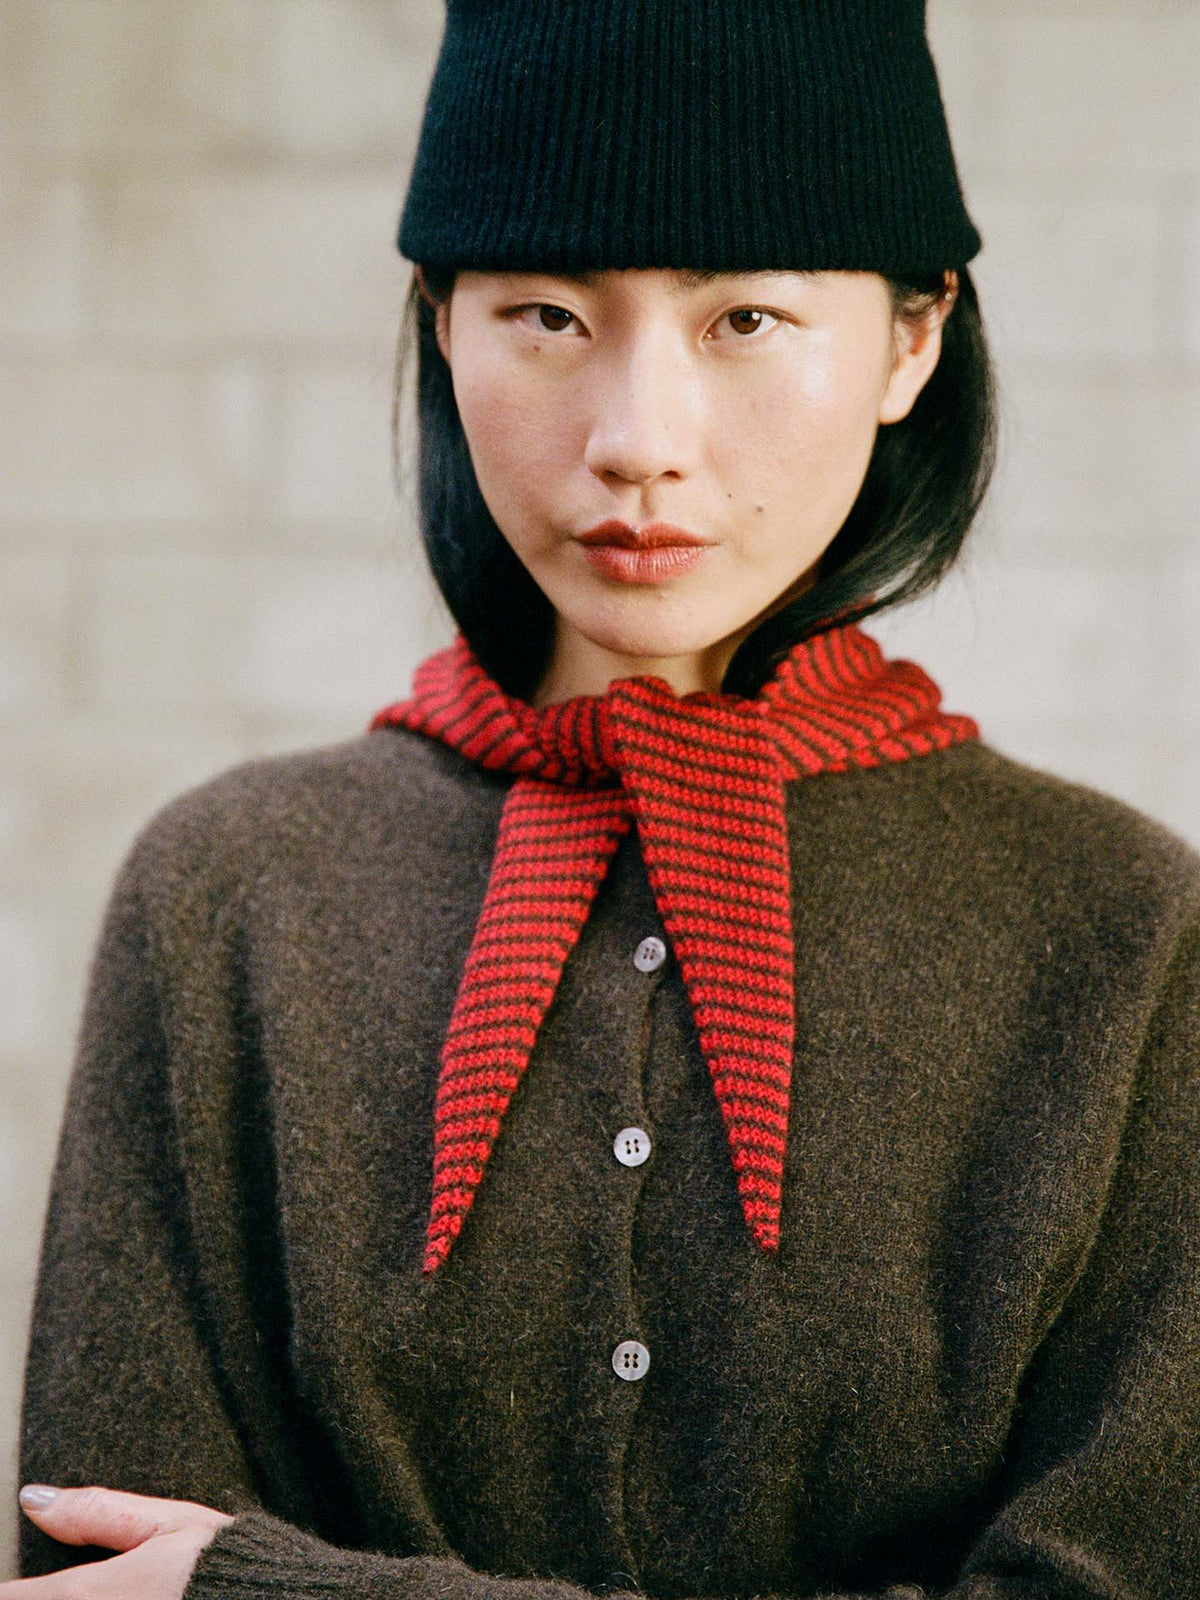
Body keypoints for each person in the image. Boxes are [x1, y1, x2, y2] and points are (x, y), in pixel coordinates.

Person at [12, 2, 1200, 1598]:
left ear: (914, 339)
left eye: (749, 321)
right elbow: (100, 1568)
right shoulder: (234, 892)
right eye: (550, 316)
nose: (640, 440)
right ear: (441, 322)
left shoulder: (1122, 934)